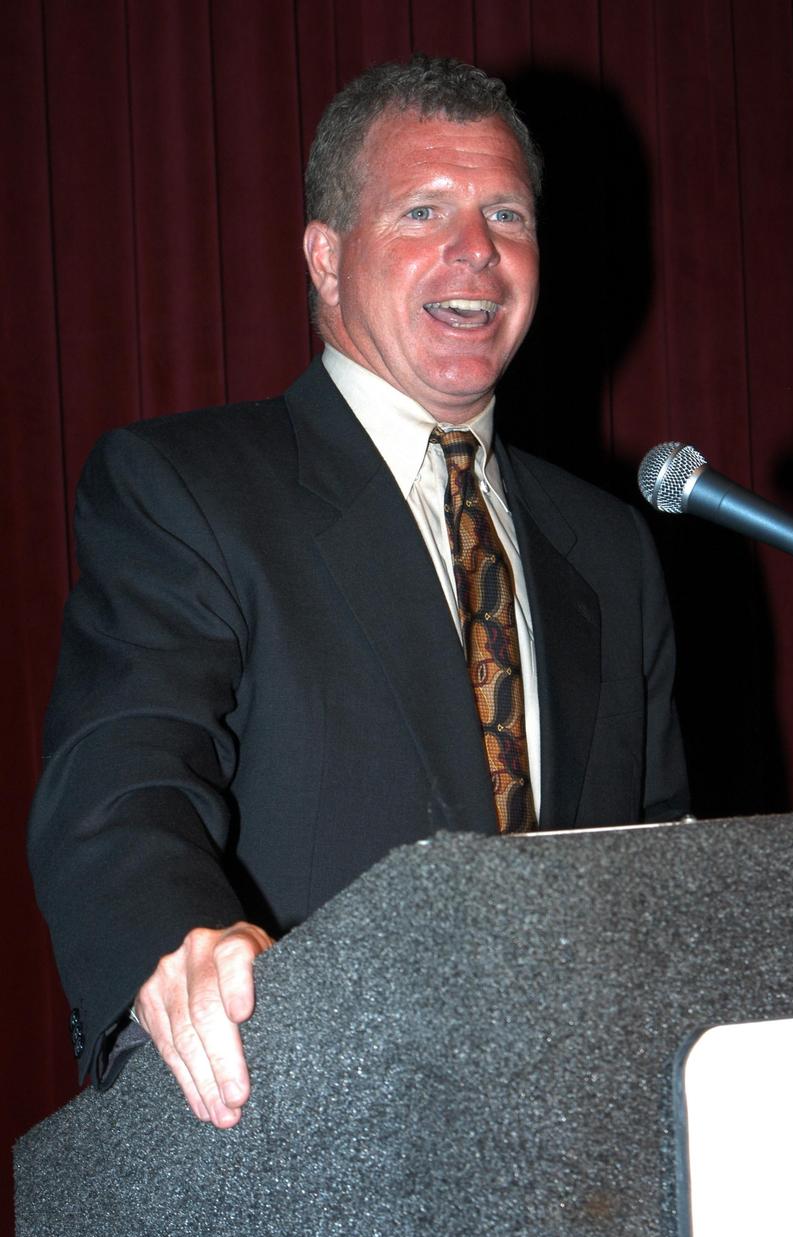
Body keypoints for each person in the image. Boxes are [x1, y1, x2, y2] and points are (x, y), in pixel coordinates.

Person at [28, 55, 688, 1130]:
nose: (474, 249)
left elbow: (662, 862)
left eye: (506, 213)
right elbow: (119, 780)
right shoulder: (191, 488)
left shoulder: (609, 547)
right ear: (326, 259)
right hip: (313, 1126)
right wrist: (181, 942)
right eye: (423, 209)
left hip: (583, 1143)